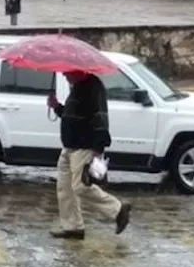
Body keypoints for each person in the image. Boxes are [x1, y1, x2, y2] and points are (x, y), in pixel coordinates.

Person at [47, 71, 132, 239]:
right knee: (65, 188)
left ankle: (117, 209)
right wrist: (56, 106)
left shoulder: (94, 87)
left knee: (80, 186)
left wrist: (98, 148)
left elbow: (100, 117)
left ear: (79, 71)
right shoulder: (77, 87)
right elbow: (72, 116)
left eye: (67, 73)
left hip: (84, 146)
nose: (65, 76)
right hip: (69, 146)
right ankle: (72, 227)